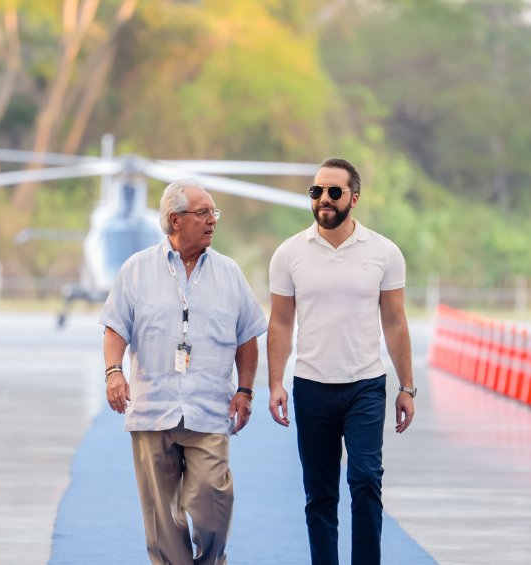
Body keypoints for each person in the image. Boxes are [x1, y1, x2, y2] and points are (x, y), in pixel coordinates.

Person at [100, 178, 267, 565]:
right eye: (203, 213)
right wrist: (113, 371)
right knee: (162, 521)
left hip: (209, 410)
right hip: (152, 410)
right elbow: (115, 327)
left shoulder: (229, 274)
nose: (212, 220)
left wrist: (245, 390)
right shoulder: (137, 270)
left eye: (214, 213)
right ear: (175, 220)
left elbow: (247, 337)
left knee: (212, 500)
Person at [267, 157, 416, 565]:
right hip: (311, 387)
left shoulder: (384, 252)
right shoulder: (289, 253)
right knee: (320, 495)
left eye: (334, 192)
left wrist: (406, 386)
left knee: (366, 481)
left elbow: (395, 321)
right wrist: (275, 382)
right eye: (316, 192)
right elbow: (280, 322)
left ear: (355, 197)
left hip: (365, 386)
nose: (324, 199)